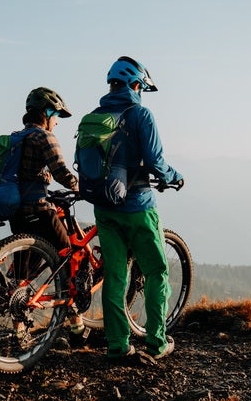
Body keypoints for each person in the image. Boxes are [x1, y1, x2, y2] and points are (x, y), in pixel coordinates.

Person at [89, 56, 184, 362]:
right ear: (136, 84)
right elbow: (156, 162)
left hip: (103, 207)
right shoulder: (141, 115)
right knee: (157, 271)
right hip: (138, 206)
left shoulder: (95, 115)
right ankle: (156, 343)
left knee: (115, 277)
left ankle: (117, 346)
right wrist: (174, 177)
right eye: (141, 87)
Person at [9, 87, 87, 338]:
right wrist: (82, 188)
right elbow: (62, 172)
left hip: (17, 212)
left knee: (22, 273)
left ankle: (18, 329)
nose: (57, 121)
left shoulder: (17, 137)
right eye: (56, 116)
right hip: (40, 211)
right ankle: (75, 322)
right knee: (69, 257)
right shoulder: (44, 137)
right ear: (47, 112)